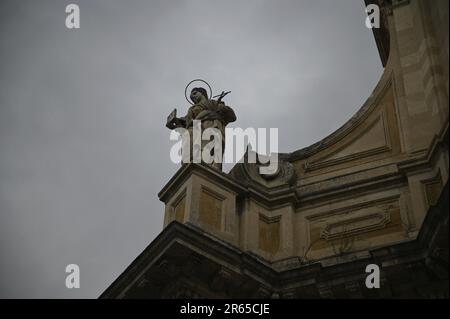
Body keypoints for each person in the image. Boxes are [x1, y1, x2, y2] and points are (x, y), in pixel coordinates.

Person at [166, 87, 236, 170]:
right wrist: (175, 122)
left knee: (207, 151)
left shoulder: (212, 103)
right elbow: (185, 122)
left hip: (209, 125)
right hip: (193, 130)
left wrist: (221, 108)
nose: (193, 97)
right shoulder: (191, 109)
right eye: (191, 97)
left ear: (202, 93)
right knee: (189, 155)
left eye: (195, 94)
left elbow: (232, 116)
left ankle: (210, 168)